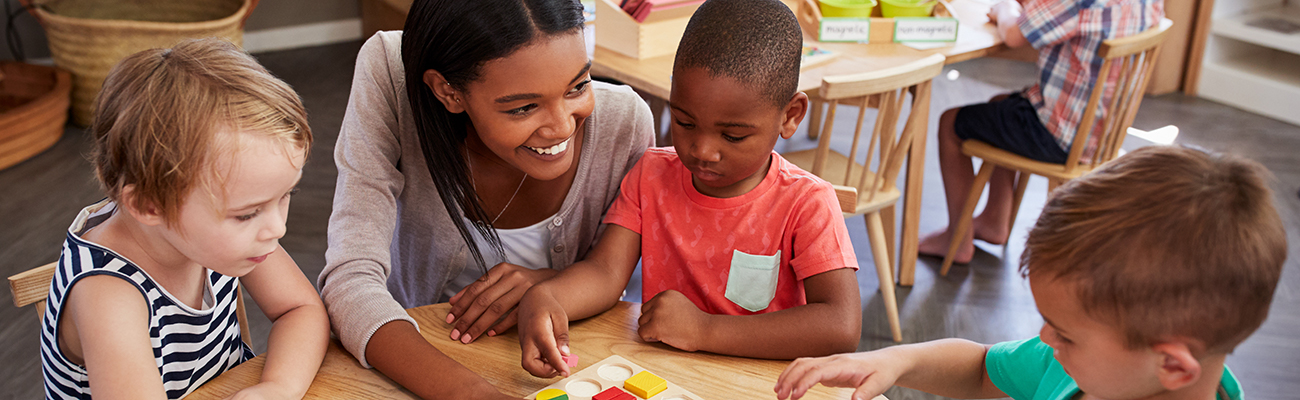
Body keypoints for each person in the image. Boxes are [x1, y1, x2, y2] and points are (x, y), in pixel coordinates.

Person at [315, 0, 655, 397]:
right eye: (524, 107)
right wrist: (472, 394)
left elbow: (612, 275)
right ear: (447, 91)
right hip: (416, 358)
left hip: (569, 365)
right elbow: (349, 281)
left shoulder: (624, 123)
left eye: (578, 86)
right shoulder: (393, 73)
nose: (562, 127)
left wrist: (551, 285)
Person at [516, 0, 862, 378]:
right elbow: (605, 272)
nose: (702, 151)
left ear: (790, 116)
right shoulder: (651, 175)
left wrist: (704, 330)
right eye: (684, 122)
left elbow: (840, 325)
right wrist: (547, 296)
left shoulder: (807, 204)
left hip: (759, 383)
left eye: (732, 135)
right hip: (667, 376)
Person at [775, 145, 1287, 400]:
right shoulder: (1078, 367)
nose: (1045, 338)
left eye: (1065, 334)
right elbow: (982, 369)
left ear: (1172, 365)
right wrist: (895, 362)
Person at [41, 38, 328, 399]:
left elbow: (301, 309)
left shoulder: (223, 237)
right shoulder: (107, 294)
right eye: (247, 214)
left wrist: (278, 387)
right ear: (150, 206)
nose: (277, 227)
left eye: (286, 196)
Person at [917, 0, 1165, 263]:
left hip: (1059, 135)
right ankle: (994, 220)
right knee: (1001, 105)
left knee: (951, 123)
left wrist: (1004, 7)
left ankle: (956, 240)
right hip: (1101, 135)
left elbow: (1014, 34)